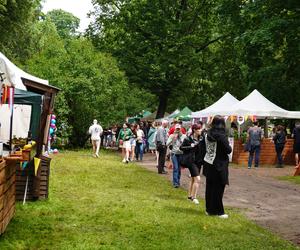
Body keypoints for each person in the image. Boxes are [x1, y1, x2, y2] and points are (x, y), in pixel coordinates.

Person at [203, 115, 232, 218]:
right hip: (219, 164)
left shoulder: (207, 133)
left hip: (208, 162)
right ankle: (219, 211)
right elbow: (228, 150)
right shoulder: (221, 135)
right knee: (219, 188)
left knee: (210, 187)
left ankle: (209, 209)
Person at [180, 124, 204, 204]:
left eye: (201, 129)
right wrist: (191, 146)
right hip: (191, 161)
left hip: (199, 161)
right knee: (197, 179)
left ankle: (189, 196)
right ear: (194, 130)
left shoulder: (201, 138)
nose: (200, 131)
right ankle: (194, 197)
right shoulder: (188, 139)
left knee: (193, 179)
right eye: (199, 129)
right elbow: (181, 148)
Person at [167, 124, 186, 188]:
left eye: (179, 129)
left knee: (179, 169)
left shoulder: (183, 136)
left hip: (181, 154)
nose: (178, 130)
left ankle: (178, 181)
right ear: (174, 129)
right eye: (176, 129)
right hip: (174, 154)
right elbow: (167, 144)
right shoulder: (172, 135)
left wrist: (180, 137)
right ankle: (175, 183)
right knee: (176, 168)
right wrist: (172, 139)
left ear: (181, 129)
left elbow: (184, 144)